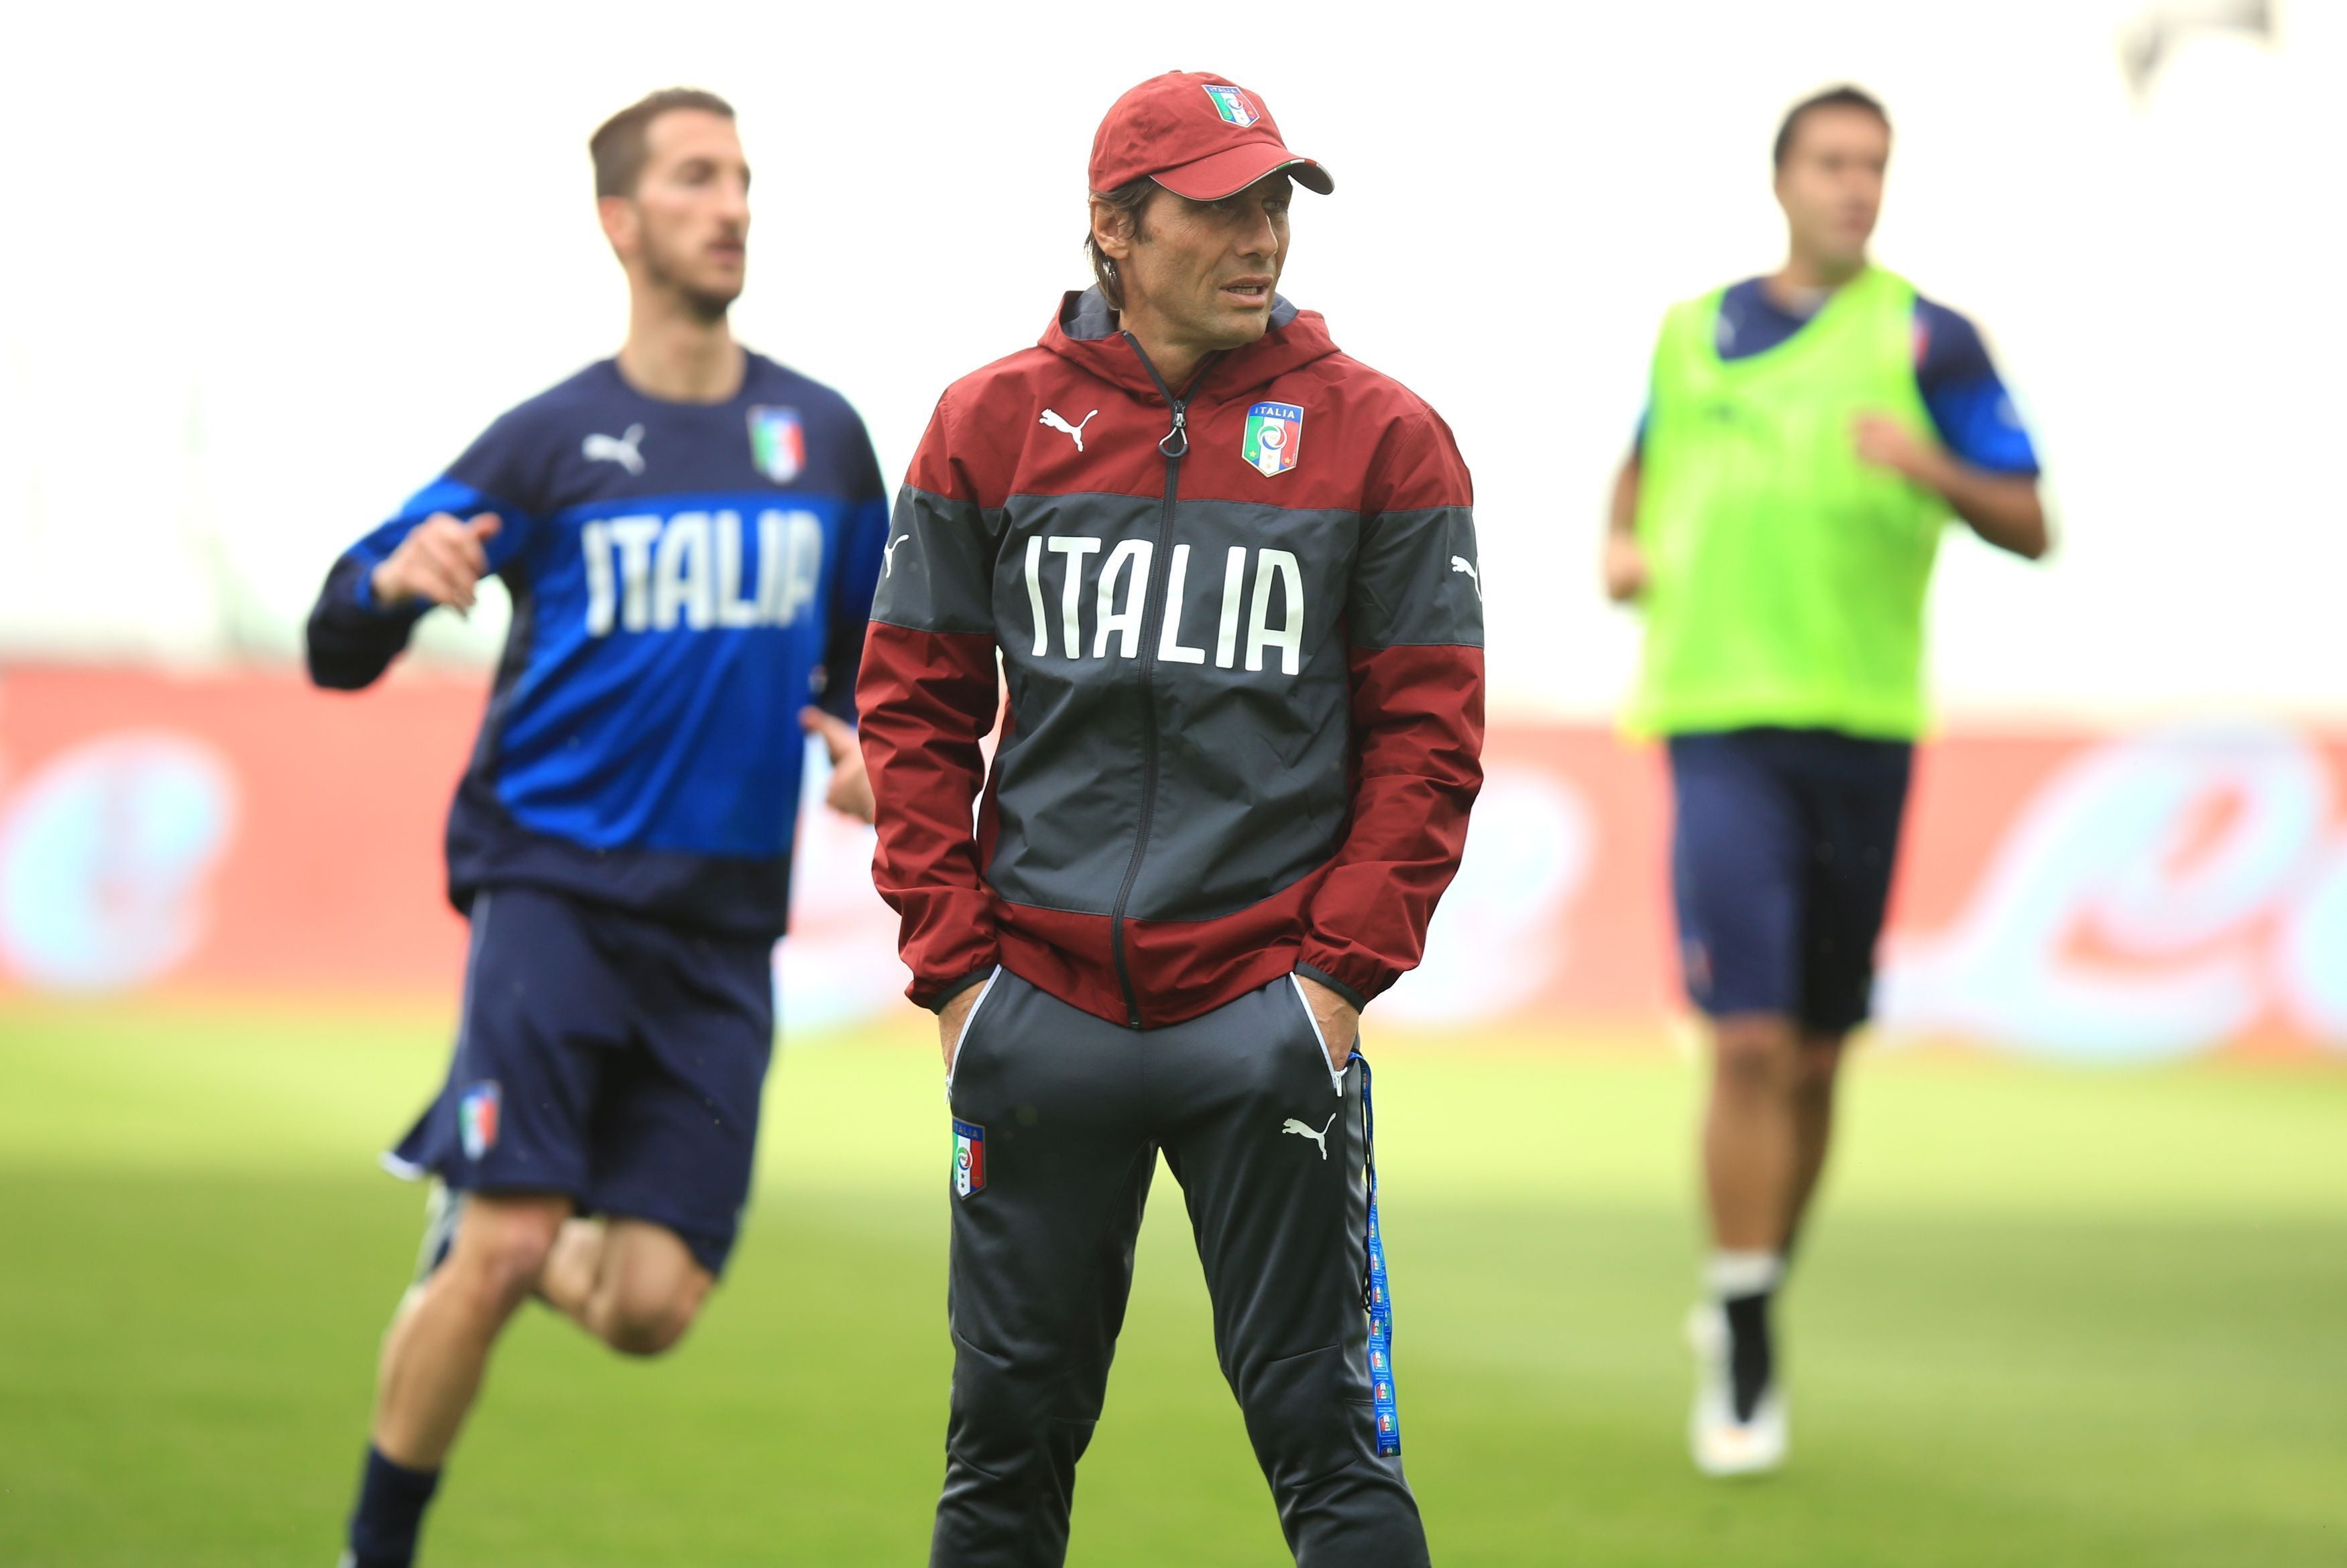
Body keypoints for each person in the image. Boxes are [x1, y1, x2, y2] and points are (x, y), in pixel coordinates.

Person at [856, 70, 1484, 1568]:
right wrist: (955, 976)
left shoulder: (1388, 440)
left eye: (1274, 199)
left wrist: (1330, 986)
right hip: (1036, 1019)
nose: (1260, 233)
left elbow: (1429, 744)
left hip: (1262, 1015)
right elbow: (915, 710)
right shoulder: (986, 426)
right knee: (998, 1462)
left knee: (1333, 1458)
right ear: (1113, 229)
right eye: (1218, 204)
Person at [304, 87, 888, 1568]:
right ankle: (378, 1544)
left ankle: (480, 1232)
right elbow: (336, 636)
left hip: (720, 926)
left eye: (743, 178)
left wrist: (875, 744)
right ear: (620, 223)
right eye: (696, 179)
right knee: (505, 1246)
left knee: (648, 1311)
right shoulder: (552, 443)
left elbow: (876, 668)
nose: (731, 205)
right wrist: (387, 581)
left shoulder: (819, 439)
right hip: (551, 892)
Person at [1603, 84, 2049, 1477]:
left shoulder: (1928, 339)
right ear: (1782, 178)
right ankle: (1742, 1333)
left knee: (1814, 1052)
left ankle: (1752, 1276)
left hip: (1863, 725)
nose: (1855, 187)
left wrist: (1930, 463)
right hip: (1718, 716)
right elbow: (1630, 488)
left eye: (1874, 166)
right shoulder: (1689, 336)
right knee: (1744, 1036)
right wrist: (1619, 554)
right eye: (1832, 163)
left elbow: (2031, 517)